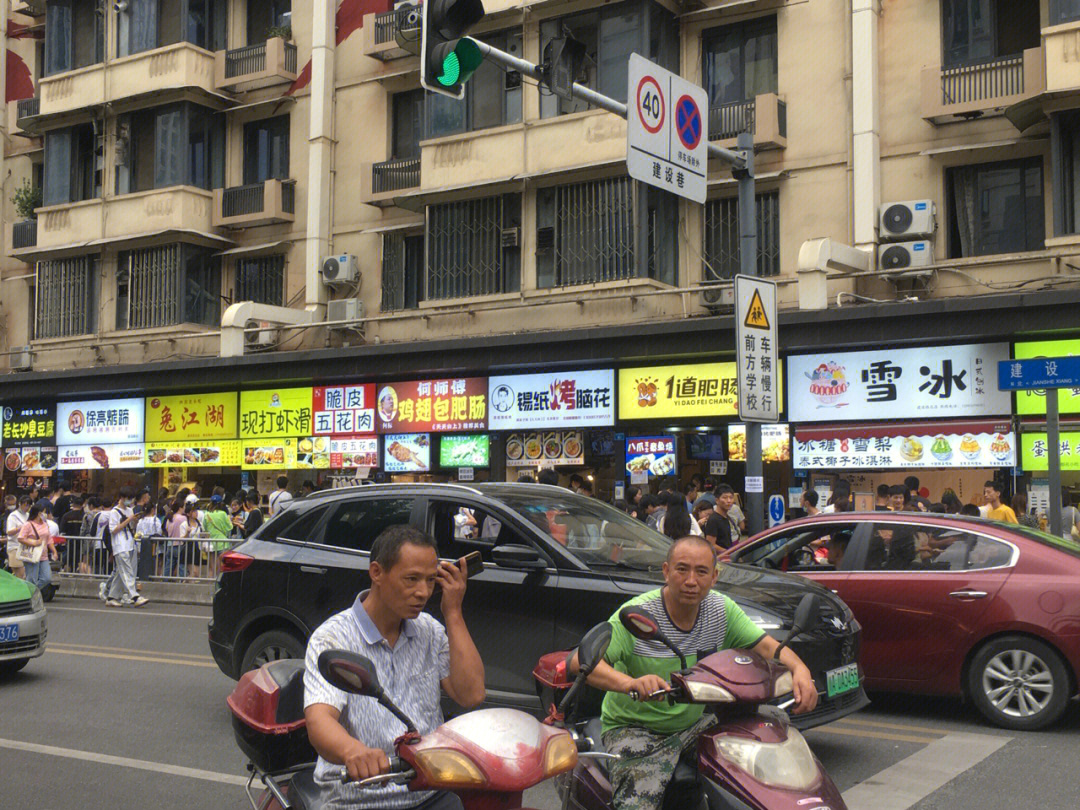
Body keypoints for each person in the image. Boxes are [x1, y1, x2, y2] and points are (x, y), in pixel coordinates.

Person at [572, 535, 817, 810]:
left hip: (696, 723)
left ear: (714, 577)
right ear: (666, 572)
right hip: (636, 729)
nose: (691, 581)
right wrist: (631, 683)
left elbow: (766, 647)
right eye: (682, 569)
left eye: (701, 572)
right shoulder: (639, 615)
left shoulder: (720, 610)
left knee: (771, 736)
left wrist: (800, 669)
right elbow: (581, 663)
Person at [303, 525, 485, 807]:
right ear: (376, 572)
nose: (423, 592)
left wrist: (453, 612)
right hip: (359, 795)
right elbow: (319, 720)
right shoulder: (333, 638)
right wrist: (354, 752)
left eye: (430, 580)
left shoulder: (429, 630)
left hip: (428, 789)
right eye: (411, 579)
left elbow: (471, 694)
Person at [102, 488, 149, 607]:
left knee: (122, 572)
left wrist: (135, 520)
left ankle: (112, 597)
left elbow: (131, 527)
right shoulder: (114, 512)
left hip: (130, 543)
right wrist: (129, 519)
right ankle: (134, 596)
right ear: (122, 498)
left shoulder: (129, 510)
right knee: (126, 571)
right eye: (128, 498)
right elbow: (113, 530)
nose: (129, 501)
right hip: (120, 545)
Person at [16, 504, 58, 592]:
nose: (46, 514)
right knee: (32, 579)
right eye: (44, 512)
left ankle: (31, 592)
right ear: (39, 513)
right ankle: (30, 595)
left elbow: (49, 539)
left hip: (43, 555)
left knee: (47, 578)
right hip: (31, 555)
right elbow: (20, 538)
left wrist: (54, 551)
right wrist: (34, 542)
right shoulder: (28, 524)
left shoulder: (45, 524)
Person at [703, 484, 739, 551]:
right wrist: (729, 553)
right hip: (720, 559)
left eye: (731, 497)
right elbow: (711, 544)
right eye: (725, 498)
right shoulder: (713, 519)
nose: (729, 501)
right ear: (717, 500)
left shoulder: (726, 517)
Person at [5, 495, 32, 580]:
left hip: (26, 547)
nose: (27, 507)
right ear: (20, 504)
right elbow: (9, 532)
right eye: (25, 505)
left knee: (25, 575)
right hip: (14, 547)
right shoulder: (13, 516)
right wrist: (21, 527)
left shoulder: (28, 515)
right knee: (20, 575)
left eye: (29, 505)